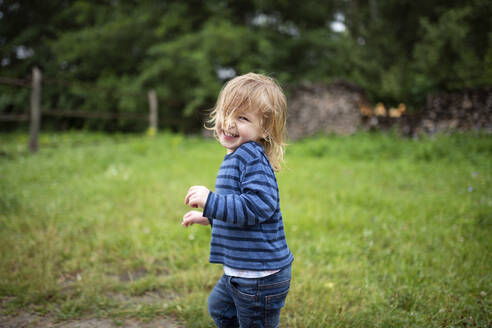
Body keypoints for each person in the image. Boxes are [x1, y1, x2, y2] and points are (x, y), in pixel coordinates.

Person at [182, 72, 294, 328]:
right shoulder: (237, 155)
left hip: (260, 277)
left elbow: (257, 206)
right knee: (220, 309)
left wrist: (211, 201)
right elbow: (237, 206)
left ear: (264, 128)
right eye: (227, 113)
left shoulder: (250, 156)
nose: (230, 124)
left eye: (242, 118)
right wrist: (209, 216)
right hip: (242, 271)